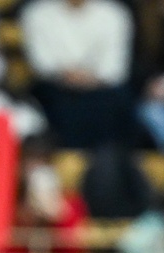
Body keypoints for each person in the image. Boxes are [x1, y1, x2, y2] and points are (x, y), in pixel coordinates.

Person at [18, 0, 133, 150]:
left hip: (100, 88)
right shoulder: (37, 12)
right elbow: (40, 62)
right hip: (55, 86)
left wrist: (88, 78)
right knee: (55, 103)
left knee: (117, 102)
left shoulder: (114, 13)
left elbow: (115, 67)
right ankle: (63, 153)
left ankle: (106, 156)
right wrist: (66, 74)